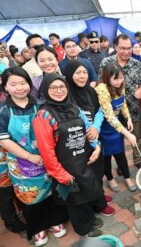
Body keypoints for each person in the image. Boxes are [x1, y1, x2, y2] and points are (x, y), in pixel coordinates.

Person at [0, 67, 68, 246]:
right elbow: (4, 141)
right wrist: (29, 156)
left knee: (51, 189)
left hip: (46, 158)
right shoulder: (4, 111)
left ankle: (55, 221)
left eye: (23, 83)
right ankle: (38, 227)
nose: (20, 88)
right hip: (22, 162)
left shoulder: (40, 104)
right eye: (13, 84)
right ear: (6, 87)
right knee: (30, 195)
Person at [33, 73, 104, 238]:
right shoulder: (43, 116)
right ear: (45, 90)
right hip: (65, 166)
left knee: (86, 191)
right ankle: (84, 229)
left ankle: (90, 219)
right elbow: (46, 151)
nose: (59, 91)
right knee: (75, 198)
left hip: (83, 159)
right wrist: (60, 174)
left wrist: (97, 147)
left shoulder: (74, 107)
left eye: (62, 87)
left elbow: (88, 131)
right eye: (53, 88)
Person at [64, 60, 115, 216]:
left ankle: (98, 195)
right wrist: (89, 129)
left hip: (94, 135)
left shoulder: (91, 91)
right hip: (79, 139)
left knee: (98, 168)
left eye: (84, 72)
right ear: (69, 74)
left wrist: (96, 127)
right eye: (78, 73)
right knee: (86, 173)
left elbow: (100, 110)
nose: (82, 76)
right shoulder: (66, 93)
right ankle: (95, 204)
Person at [99, 34, 141, 169]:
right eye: (122, 48)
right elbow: (101, 84)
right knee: (118, 138)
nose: (126, 52)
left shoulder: (136, 64)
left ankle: (138, 160)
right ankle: (122, 164)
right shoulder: (106, 63)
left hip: (133, 107)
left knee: (136, 136)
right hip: (113, 110)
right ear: (115, 47)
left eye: (129, 48)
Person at [95, 63, 138, 192]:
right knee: (106, 155)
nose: (119, 81)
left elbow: (123, 103)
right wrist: (127, 133)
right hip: (105, 126)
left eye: (121, 78)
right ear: (107, 78)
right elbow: (109, 116)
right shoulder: (102, 89)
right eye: (115, 79)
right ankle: (110, 179)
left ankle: (127, 177)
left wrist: (128, 118)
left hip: (117, 125)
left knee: (120, 153)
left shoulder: (120, 86)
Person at [0, 76, 26, 234]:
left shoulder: (6, 96)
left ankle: (23, 210)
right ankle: (10, 219)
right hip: (2, 151)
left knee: (19, 180)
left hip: (14, 147)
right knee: (4, 189)